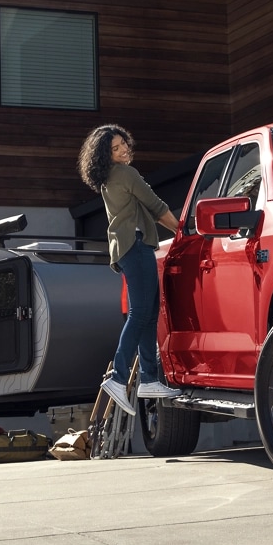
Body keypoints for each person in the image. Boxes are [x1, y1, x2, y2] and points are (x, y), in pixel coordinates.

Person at [77, 125, 180, 414]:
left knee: (146, 313)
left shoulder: (108, 178)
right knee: (141, 313)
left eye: (124, 144)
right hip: (135, 247)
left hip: (126, 249)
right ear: (105, 155)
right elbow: (157, 207)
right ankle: (119, 376)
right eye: (116, 148)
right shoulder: (125, 174)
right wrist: (184, 231)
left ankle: (148, 378)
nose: (124, 151)